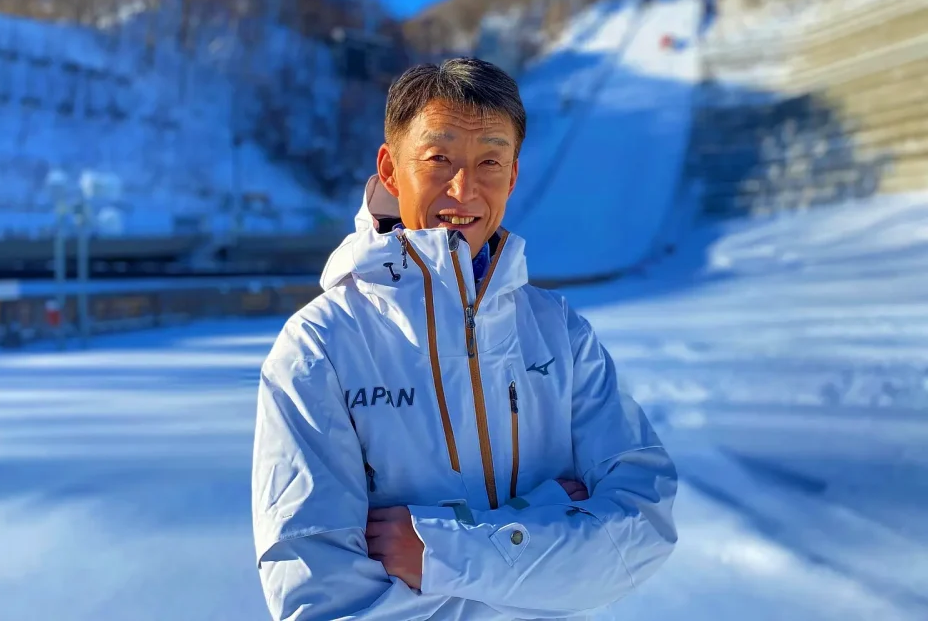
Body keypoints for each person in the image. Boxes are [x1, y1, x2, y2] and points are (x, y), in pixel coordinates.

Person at [252, 58, 678, 620]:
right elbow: (322, 600)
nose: (464, 188)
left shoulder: (559, 331)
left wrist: (443, 551)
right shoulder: (320, 346)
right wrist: (551, 521)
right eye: (439, 159)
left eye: (489, 162)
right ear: (390, 169)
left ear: (513, 176)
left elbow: (642, 525)